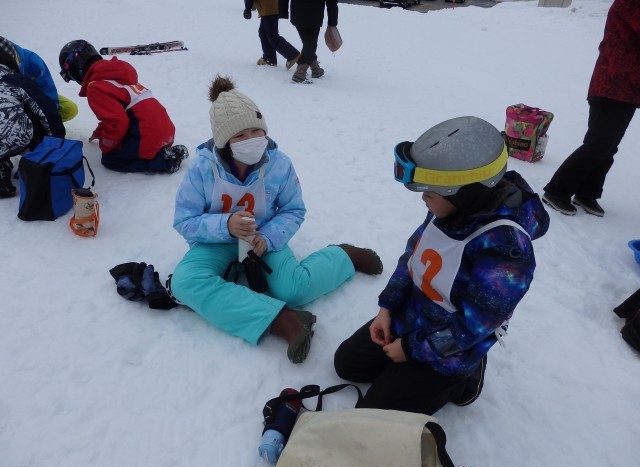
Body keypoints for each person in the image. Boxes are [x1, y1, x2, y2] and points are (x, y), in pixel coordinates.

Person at [334, 116, 550, 415]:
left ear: (465, 194)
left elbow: (476, 325)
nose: (424, 201)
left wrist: (411, 349)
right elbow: (413, 258)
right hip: (413, 317)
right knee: (348, 365)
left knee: (376, 412)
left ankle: (465, 379)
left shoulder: (506, 250)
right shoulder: (449, 210)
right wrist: (388, 308)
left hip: (453, 345)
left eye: (429, 195)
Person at [169, 75, 383, 364]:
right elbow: (184, 220)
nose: (251, 140)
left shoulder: (279, 164)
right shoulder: (202, 170)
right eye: (240, 136)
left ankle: (344, 257)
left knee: (292, 289)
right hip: (215, 242)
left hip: (264, 239)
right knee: (184, 282)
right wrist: (225, 226)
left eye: (256, 130)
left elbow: (293, 210)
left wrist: (268, 238)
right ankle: (284, 320)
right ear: (223, 142)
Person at [542, 0, 640, 217]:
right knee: (598, 144)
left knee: (609, 146)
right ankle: (556, 191)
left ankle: (587, 193)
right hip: (611, 85)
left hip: (630, 89)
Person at [58, 39, 188, 174]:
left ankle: (163, 160)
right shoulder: (115, 74)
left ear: (75, 70)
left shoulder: (95, 87)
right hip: (165, 129)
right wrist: (99, 132)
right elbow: (114, 114)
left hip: (147, 135)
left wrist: (106, 146)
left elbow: (117, 122)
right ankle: (161, 150)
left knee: (111, 160)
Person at [0, 39, 65, 198]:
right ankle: (36, 159)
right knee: (33, 113)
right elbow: (47, 110)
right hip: (16, 136)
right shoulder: (13, 78)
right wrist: (57, 142)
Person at [2, 37, 78, 122]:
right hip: (8, 101)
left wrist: (51, 117)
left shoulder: (33, 62)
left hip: (33, 98)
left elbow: (48, 91)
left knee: (69, 108)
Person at [289, 0, 338, 83]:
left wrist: (282, 9)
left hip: (297, 11)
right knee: (310, 44)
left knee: (308, 43)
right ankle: (300, 73)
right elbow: (332, 2)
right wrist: (332, 22)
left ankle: (316, 69)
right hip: (313, 14)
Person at [247, 1, 300, 71]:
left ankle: (292, 55)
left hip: (269, 8)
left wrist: (247, 8)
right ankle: (269, 58)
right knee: (263, 33)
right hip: (268, 8)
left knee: (272, 35)